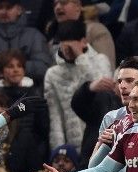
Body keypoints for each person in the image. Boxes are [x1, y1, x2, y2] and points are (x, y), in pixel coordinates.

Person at [45, 19, 111, 149]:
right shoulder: (53, 73)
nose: (68, 50)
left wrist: (81, 57)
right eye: (64, 46)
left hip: (100, 139)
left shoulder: (101, 61)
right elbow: (55, 117)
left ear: (84, 41)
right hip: (72, 147)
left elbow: (105, 94)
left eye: (71, 46)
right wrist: (59, 151)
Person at [0, 0, 53, 86]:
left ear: (19, 10)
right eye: (0, 7)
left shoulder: (35, 35)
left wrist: (6, 64)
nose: (4, 11)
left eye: (9, 7)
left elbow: (43, 67)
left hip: (28, 91)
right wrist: (16, 64)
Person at [46, 0, 116, 70]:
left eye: (64, 3)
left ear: (78, 6)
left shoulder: (95, 30)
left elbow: (107, 68)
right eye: (55, 4)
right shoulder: (52, 34)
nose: (57, 7)